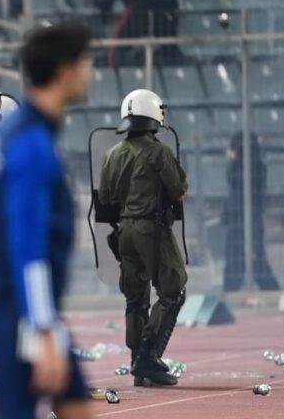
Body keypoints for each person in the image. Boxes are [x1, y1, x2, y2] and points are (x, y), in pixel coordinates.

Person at [0, 23, 93, 419]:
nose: (90, 72)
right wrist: (41, 328)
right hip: (17, 304)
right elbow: (27, 244)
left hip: (17, 297)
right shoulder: (31, 145)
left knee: (75, 403)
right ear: (64, 71)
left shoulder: (20, 130)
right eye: (85, 62)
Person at [98, 89, 188, 387]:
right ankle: (148, 356)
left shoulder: (111, 155)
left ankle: (136, 358)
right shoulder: (159, 152)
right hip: (151, 230)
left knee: (135, 298)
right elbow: (178, 191)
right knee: (173, 290)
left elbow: (106, 199)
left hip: (124, 231)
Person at [222, 132, 280, 292]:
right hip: (239, 215)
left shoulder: (254, 167)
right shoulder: (248, 166)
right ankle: (232, 288)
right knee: (240, 256)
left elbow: (239, 187)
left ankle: (269, 288)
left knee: (253, 257)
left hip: (248, 216)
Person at [97, 0, 182, 66]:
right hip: (169, 0)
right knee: (168, 41)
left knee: (118, 44)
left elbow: (106, 6)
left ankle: (114, 72)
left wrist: (102, 14)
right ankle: (179, 69)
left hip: (142, 1)